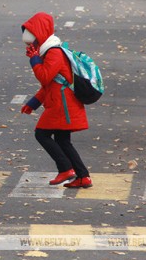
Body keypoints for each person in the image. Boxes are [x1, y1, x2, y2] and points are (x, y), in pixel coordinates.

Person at [20, 12, 92, 188]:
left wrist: (34, 60)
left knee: (42, 134)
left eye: (33, 37)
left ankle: (66, 169)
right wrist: (33, 103)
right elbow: (50, 85)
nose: (31, 42)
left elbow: (44, 78)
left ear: (41, 34)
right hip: (61, 102)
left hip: (62, 105)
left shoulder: (54, 53)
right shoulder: (49, 51)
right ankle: (83, 176)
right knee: (62, 140)